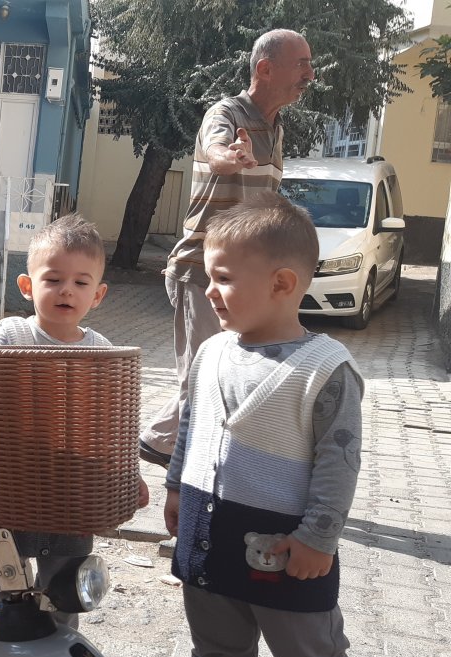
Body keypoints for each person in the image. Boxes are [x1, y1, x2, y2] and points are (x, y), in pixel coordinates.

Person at [164, 192, 362, 657]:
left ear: (281, 283)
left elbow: (339, 463)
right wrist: (175, 486)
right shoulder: (211, 351)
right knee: (216, 656)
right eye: (209, 278)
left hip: (286, 553)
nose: (210, 291)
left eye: (223, 279)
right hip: (206, 542)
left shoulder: (325, 369)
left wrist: (318, 538)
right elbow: (192, 421)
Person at [139, 29, 316, 468]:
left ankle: (163, 445)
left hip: (245, 278)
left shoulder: (276, 128)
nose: (310, 75)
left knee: (217, 375)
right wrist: (229, 156)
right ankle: (173, 459)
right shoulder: (225, 113)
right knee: (202, 377)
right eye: (302, 64)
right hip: (202, 270)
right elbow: (217, 151)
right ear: (265, 68)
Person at [0, 215, 149, 616]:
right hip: (10, 488)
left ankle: (57, 645)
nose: (66, 290)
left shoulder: (102, 350)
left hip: (71, 494)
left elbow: (112, 426)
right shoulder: (11, 335)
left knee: (66, 591)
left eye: (81, 283)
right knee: (1, 590)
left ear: (98, 295)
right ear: (27, 286)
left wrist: (129, 475)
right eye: (53, 279)